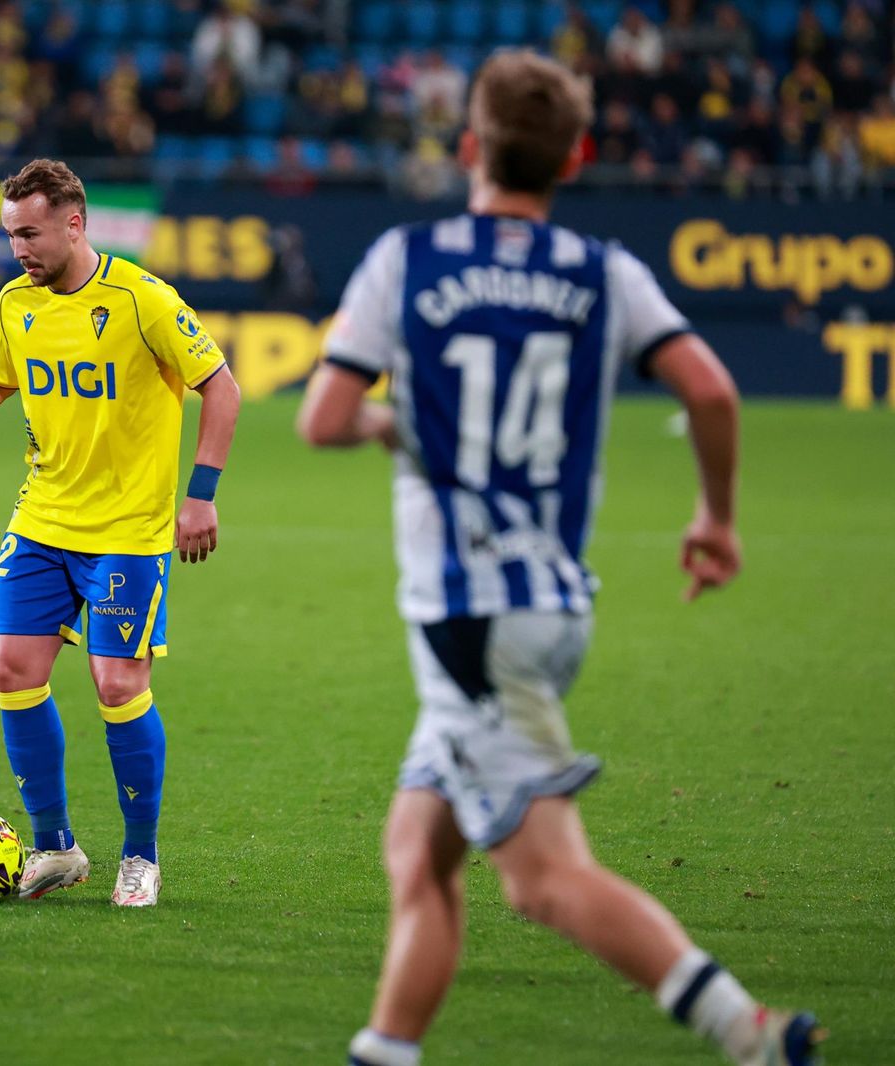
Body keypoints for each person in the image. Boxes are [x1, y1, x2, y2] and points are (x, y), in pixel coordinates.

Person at [296, 51, 820, 1066]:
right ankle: (385, 1050)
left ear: (466, 148)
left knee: (540, 879)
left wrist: (393, 426)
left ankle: (752, 1034)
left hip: (469, 614)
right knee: (418, 849)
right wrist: (715, 518)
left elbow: (323, 419)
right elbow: (710, 391)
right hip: (544, 599)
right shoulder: (604, 270)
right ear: (575, 157)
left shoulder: (408, 259)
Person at [0, 159, 241, 907]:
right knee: (12, 670)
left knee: (117, 682)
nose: (19, 250)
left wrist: (200, 496)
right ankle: (56, 847)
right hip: (43, 520)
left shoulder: (142, 300)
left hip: (128, 531)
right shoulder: (16, 303)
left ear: (75, 223)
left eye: (30, 234)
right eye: (10, 236)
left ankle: (141, 857)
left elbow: (221, 387)